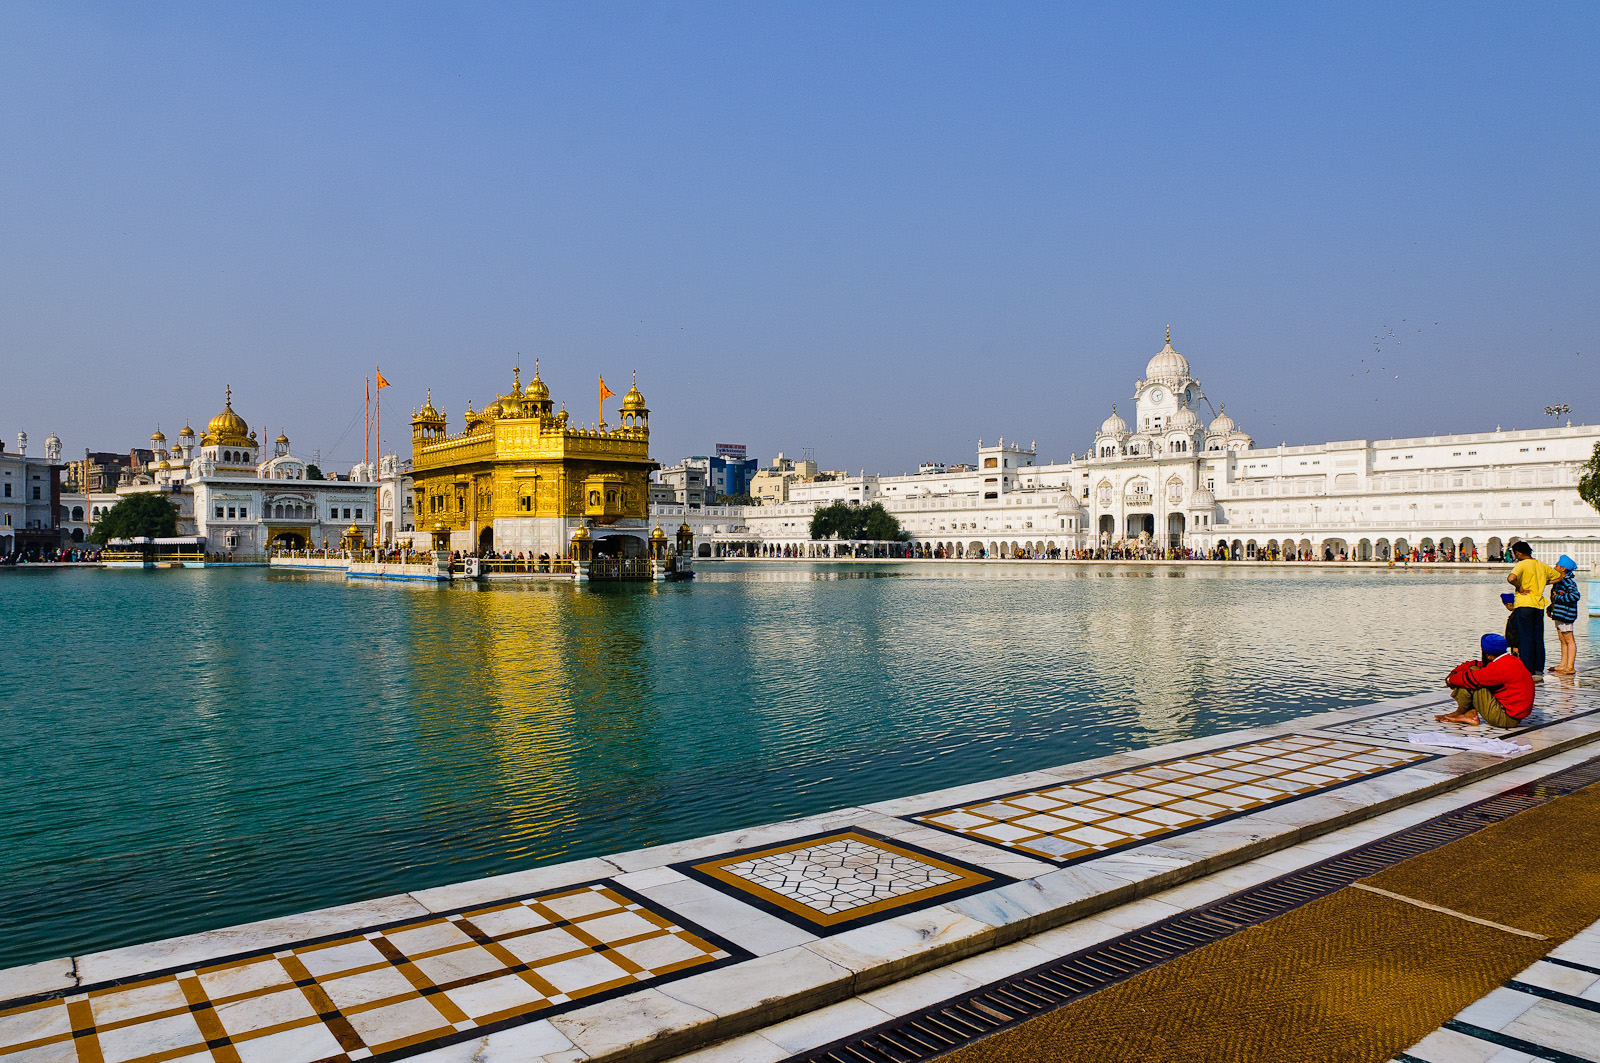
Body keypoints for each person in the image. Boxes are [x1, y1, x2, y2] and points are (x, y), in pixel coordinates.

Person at [1438, 633, 1535, 728]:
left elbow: (1470, 678)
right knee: (1473, 671)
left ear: (1487, 654)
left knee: (1470, 679)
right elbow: (1478, 664)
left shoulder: (1500, 668)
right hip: (1514, 716)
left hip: (1505, 719)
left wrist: (1451, 679)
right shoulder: (1510, 660)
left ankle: (1462, 712)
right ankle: (1468, 713)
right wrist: (1454, 672)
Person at [1505, 542, 1559, 676]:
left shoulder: (1521, 565)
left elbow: (1511, 578)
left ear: (1518, 553)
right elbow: (1559, 576)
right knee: (1538, 638)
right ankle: (1538, 669)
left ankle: (1526, 669)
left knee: (1525, 638)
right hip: (1538, 605)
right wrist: (1544, 582)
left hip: (1524, 605)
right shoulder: (1542, 565)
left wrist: (1520, 587)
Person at [1548, 555, 1581, 675]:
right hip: (1559, 614)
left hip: (1566, 614)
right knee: (1562, 639)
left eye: (1557, 565)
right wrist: (1551, 607)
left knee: (1569, 639)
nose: (1555, 567)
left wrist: (1558, 597)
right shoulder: (1559, 581)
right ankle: (1563, 664)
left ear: (1563, 568)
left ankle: (1570, 666)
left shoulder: (1568, 582)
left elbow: (1575, 596)